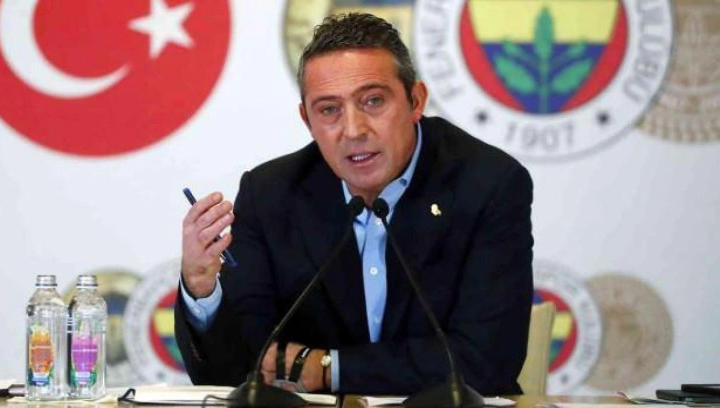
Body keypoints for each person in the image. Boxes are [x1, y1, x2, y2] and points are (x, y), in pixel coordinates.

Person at [175, 13, 534, 396]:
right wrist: (201, 289)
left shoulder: (488, 184)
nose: (353, 130)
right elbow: (242, 372)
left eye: (373, 101)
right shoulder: (271, 195)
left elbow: (485, 362)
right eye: (329, 109)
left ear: (416, 101)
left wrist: (328, 369)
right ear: (307, 120)